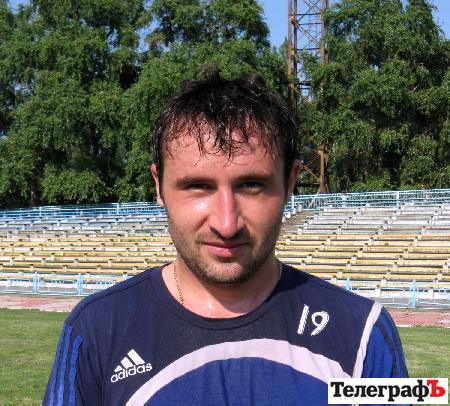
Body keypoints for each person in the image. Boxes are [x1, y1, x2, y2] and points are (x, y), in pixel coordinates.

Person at [43, 72, 408, 406]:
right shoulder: (96, 330)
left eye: (251, 185)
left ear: (290, 183)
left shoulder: (363, 335)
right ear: (158, 186)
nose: (227, 223)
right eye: (198, 186)